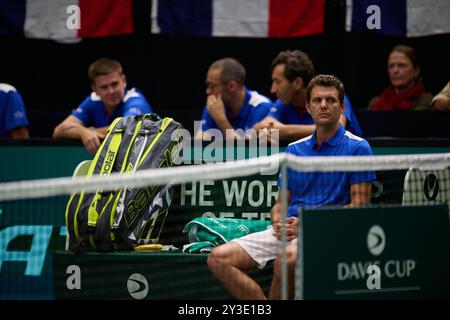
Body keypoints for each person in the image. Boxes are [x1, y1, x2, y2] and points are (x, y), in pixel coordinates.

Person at [207, 74, 375, 300]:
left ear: (342, 107)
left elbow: (359, 207)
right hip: (289, 231)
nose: (324, 105)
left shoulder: (358, 148)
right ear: (308, 107)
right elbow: (280, 205)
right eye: (317, 100)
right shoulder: (294, 150)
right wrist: (278, 222)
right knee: (218, 259)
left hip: (329, 231)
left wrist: (307, 224)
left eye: (331, 100)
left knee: (286, 260)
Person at [253, 50, 363, 140]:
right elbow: (262, 127)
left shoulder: (334, 97)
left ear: (297, 83)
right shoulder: (283, 103)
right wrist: (261, 129)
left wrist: (285, 131)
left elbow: (336, 128)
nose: (273, 89)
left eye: (278, 82)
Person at [53, 58, 153, 155]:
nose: (111, 91)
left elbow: (125, 129)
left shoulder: (136, 101)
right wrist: (82, 132)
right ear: (95, 89)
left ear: (124, 81)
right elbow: (58, 131)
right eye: (104, 87)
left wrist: (90, 131)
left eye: (114, 84)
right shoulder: (93, 100)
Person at [195, 58, 272, 139]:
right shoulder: (214, 106)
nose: (208, 91)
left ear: (231, 86)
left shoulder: (262, 107)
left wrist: (221, 120)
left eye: (211, 86)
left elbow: (246, 150)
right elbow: (200, 144)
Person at [368, 45, 432, 111]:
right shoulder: (376, 102)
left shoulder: (426, 100)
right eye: (391, 66)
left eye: (401, 65)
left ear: (416, 71)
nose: (395, 70)